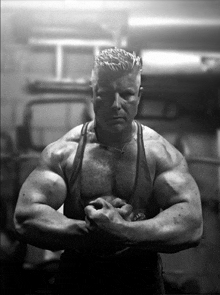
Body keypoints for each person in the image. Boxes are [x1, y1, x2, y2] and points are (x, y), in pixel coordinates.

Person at [14, 48, 203, 295]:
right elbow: (25, 217)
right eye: (106, 94)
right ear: (93, 94)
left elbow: (192, 225)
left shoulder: (160, 154)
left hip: (140, 281)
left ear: (139, 95)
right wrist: (87, 231)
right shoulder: (64, 153)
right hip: (78, 279)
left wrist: (123, 231)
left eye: (126, 95)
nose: (116, 105)